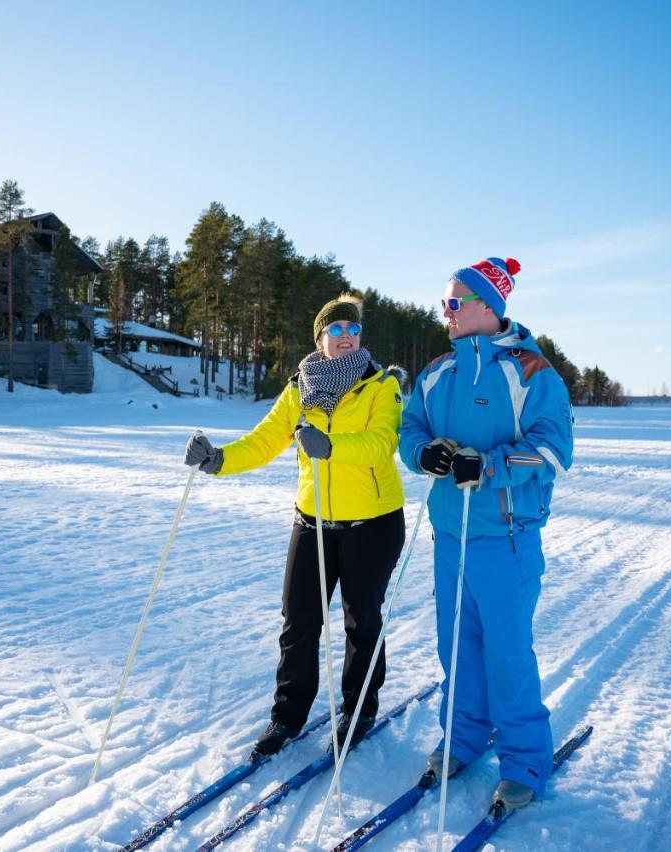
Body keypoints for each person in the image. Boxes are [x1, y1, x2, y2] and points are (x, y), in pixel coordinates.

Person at [184, 295, 408, 758]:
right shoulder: (298, 389)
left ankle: (360, 709)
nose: (347, 337)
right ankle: (288, 716)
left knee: (360, 619)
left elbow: (381, 442)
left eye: (354, 330)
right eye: (337, 330)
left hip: (373, 522)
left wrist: (330, 443)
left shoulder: (380, 385)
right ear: (320, 338)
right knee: (298, 620)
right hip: (313, 520)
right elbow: (265, 440)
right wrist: (218, 459)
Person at [398, 257, 574, 810]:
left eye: (455, 302)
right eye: (443, 302)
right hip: (450, 537)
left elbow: (553, 450)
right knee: (457, 648)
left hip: (506, 538)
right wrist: (424, 453)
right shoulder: (436, 372)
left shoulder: (530, 371)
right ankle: (464, 738)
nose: (444, 313)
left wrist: (490, 465)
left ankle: (524, 759)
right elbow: (411, 429)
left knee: (506, 652)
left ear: (488, 307)